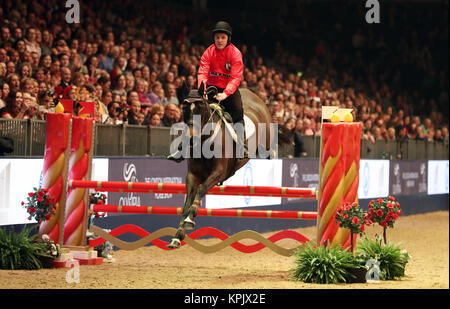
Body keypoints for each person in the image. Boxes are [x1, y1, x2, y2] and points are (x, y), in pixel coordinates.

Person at [167, 21, 246, 161]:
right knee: (196, 113)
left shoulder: (235, 53)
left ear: (228, 38)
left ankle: (241, 148)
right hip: (210, 87)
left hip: (228, 89)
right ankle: (181, 150)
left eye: (223, 37)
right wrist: (202, 90)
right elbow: (202, 72)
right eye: (217, 37)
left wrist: (225, 94)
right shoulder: (208, 52)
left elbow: (235, 77)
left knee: (238, 112)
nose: (220, 40)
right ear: (214, 38)